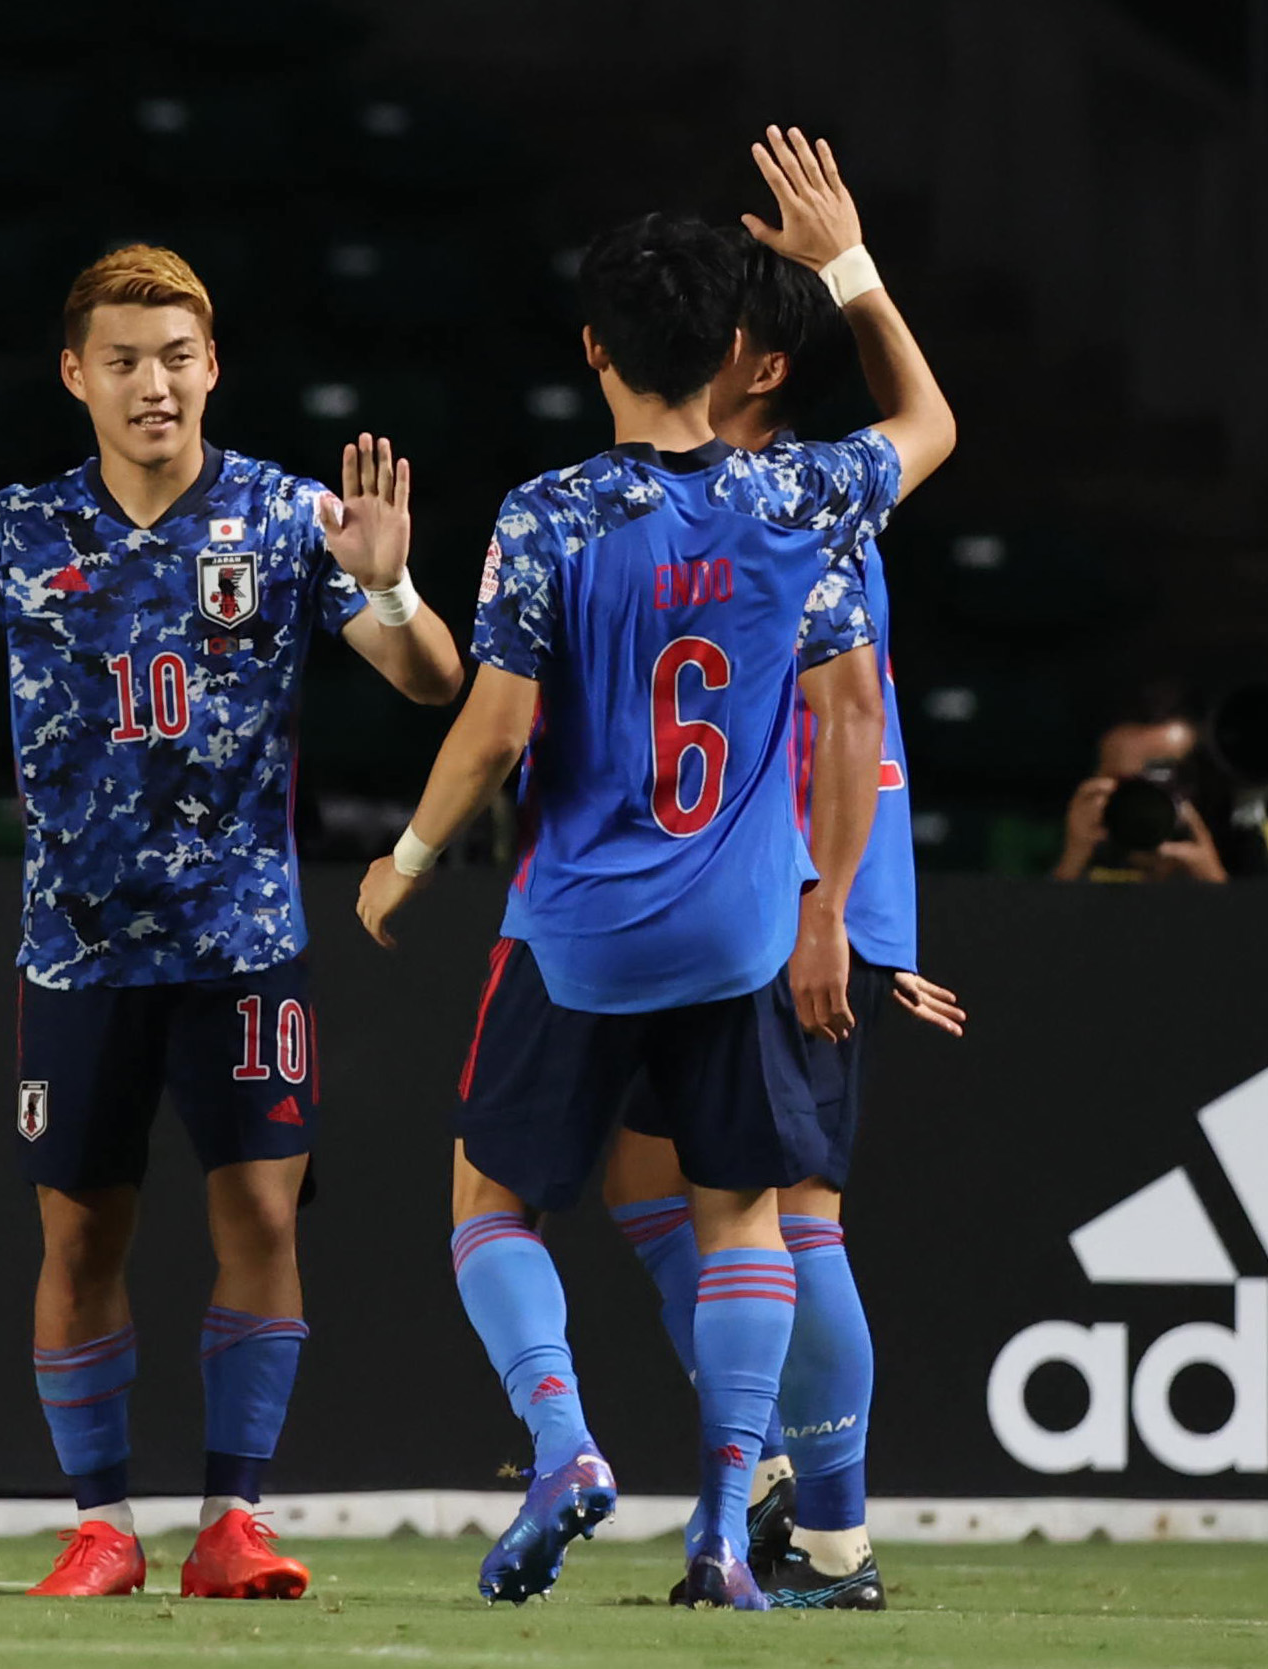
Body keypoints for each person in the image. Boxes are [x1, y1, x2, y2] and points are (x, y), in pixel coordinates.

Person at [0, 243, 466, 1600]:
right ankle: (100, 1524)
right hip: (77, 953)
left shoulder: (285, 516)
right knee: (81, 1236)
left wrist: (387, 583)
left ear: (214, 367)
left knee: (263, 1214)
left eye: (180, 357)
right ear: (77, 374)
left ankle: (234, 1522)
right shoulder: (25, 528)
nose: (158, 384)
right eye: (129, 360)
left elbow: (431, 679)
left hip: (243, 942)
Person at [356, 128, 957, 1610]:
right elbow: (930, 432)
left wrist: (409, 857)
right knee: (744, 1209)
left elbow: (493, 730)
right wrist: (854, 270)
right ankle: (725, 1526)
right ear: (731, 346)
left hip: (579, 929)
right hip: (744, 929)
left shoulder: (550, 515)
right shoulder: (806, 498)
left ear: (594, 347)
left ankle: (565, 1447)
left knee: (490, 1199)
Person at [598, 228, 968, 1613]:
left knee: (792, 1209)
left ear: (747, 363)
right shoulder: (757, 490)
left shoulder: (789, 492)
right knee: (649, 1181)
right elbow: (928, 423)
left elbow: (844, 724)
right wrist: (856, 265)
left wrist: (843, 918)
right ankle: (759, 1476)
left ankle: (834, 1538)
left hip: (798, 895)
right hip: (720, 899)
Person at [1052, 687, 1230, 883]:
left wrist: (1214, 882)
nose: (1141, 801)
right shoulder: (1083, 855)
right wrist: (1073, 862)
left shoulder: (1240, 849)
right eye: (1124, 785)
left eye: (1160, 782)